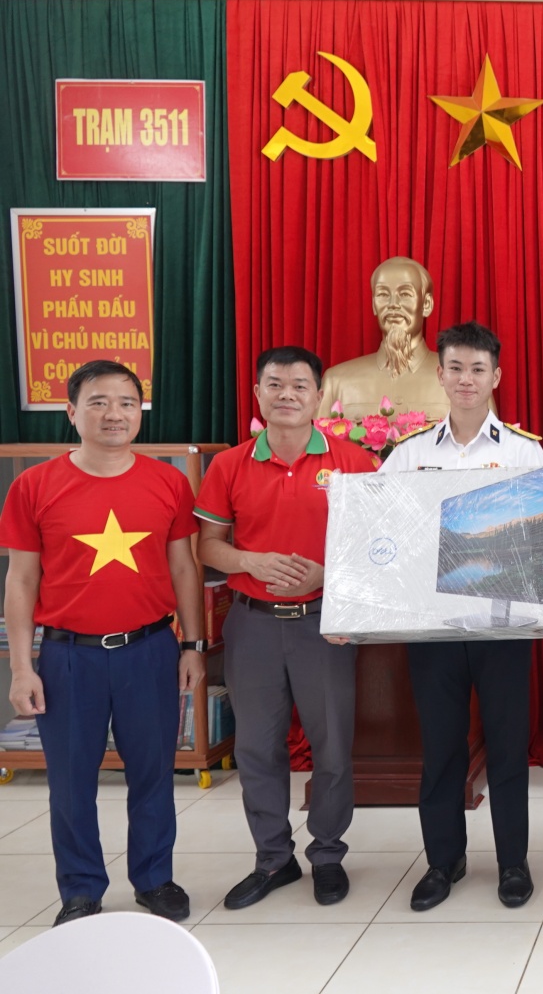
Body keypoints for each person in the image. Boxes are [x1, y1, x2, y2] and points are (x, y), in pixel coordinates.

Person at [379, 321, 543, 911]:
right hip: (433, 626)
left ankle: (513, 863)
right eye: (456, 368)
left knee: (506, 747)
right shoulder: (411, 454)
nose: (467, 379)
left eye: (478, 369)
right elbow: (378, 529)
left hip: (505, 624)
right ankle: (442, 861)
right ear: (440, 374)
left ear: (496, 376)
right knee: (441, 749)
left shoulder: (524, 452)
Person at [1, 361, 205, 926]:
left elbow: (184, 569)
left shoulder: (168, 482)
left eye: (126, 402)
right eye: (98, 402)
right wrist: (22, 667)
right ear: (72, 412)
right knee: (70, 782)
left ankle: (155, 879)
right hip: (67, 657)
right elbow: (21, 580)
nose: (114, 413)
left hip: (150, 650)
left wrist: (193, 644)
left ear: (139, 412)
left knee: (153, 774)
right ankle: (80, 888)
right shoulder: (33, 486)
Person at [195, 346, 380, 909]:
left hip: (325, 623)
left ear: (319, 396)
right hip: (251, 625)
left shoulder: (354, 462)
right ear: (258, 394)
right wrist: (248, 561)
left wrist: (331, 573)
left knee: (332, 747)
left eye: (300, 385)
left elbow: (380, 548)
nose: (287, 395)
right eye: (274, 384)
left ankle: (327, 854)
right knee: (256, 748)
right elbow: (208, 546)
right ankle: (273, 858)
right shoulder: (229, 466)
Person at [317, 256, 453, 421]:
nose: (393, 304)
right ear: (374, 305)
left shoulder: (458, 380)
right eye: (383, 294)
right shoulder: (336, 382)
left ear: (426, 304)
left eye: (405, 294)